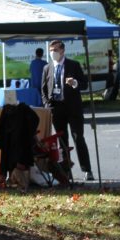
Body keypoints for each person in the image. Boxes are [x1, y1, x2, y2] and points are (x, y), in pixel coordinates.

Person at [40, 40, 94, 181]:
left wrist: (75, 82)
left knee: (78, 138)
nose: (53, 53)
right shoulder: (47, 68)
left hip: (73, 108)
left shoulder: (73, 65)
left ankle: (87, 169)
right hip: (56, 108)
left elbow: (84, 84)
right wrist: (47, 104)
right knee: (62, 141)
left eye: (55, 50)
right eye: (51, 50)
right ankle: (66, 171)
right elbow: (44, 89)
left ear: (63, 51)